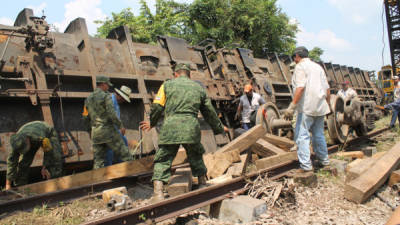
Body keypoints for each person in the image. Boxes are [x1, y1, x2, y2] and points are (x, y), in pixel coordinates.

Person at [140, 63, 228, 202]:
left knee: (163, 158)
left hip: (171, 128)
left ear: (175, 74)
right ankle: (202, 184)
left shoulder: (166, 85)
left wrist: (153, 123)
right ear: (189, 74)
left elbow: (157, 107)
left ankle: (158, 193)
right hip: (190, 128)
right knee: (196, 155)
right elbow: (209, 112)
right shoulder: (198, 88)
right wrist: (219, 128)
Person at [284, 46, 331, 172]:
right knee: (319, 134)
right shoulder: (318, 67)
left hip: (307, 108)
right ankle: (324, 161)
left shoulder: (300, 67)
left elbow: (300, 88)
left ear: (297, 56)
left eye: (294, 58)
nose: (295, 60)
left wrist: (292, 106)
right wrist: (328, 105)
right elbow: (327, 89)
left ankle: (306, 166)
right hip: (320, 106)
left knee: (302, 136)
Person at [82, 75, 133, 169]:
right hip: (108, 131)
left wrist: (89, 131)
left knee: (99, 161)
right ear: (103, 84)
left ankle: (100, 180)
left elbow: (85, 117)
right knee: (125, 154)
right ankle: (130, 171)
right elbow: (111, 114)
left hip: (96, 132)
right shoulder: (107, 97)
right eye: (107, 85)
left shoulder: (88, 99)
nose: (108, 87)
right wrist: (120, 126)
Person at [5, 121, 63, 189]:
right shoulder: (17, 143)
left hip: (48, 133)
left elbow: (48, 152)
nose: (24, 150)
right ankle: (21, 187)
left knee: (55, 157)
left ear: (27, 140)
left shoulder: (41, 138)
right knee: (23, 164)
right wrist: (8, 184)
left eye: (25, 148)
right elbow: (11, 162)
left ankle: (56, 182)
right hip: (29, 136)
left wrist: (45, 166)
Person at [105, 85, 132, 166]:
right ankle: (106, 170)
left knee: (124, 141)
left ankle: (123, 166)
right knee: (109, 149)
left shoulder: (116, 104)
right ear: (119, 95)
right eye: (123, 98)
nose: (123, 101)